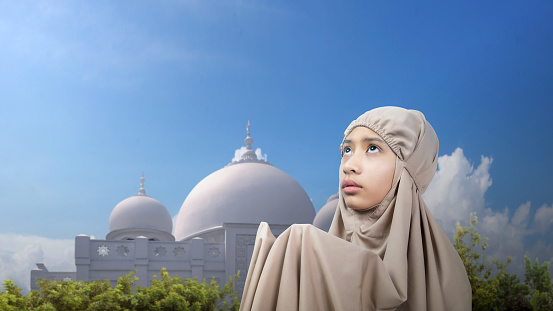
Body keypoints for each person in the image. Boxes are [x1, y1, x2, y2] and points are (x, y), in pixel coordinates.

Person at [240, 107, 471, 311]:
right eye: (347, 151)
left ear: (407, 169)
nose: (349, 165)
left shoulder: (444, 277)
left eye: (372, 148)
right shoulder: (305, 250)